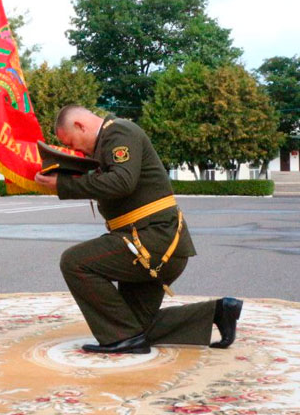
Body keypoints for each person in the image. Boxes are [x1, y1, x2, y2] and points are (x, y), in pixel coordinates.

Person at [34, 105, 243, 354]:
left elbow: (122, 182)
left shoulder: (118, 132)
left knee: (74, 262)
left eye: (73, 143)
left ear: (80, 125)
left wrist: (64, 185)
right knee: (136, 326)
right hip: (150, 241)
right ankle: (218, 312)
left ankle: (125, 340)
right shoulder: (107, 143)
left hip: (154, 240)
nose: (75, 150)